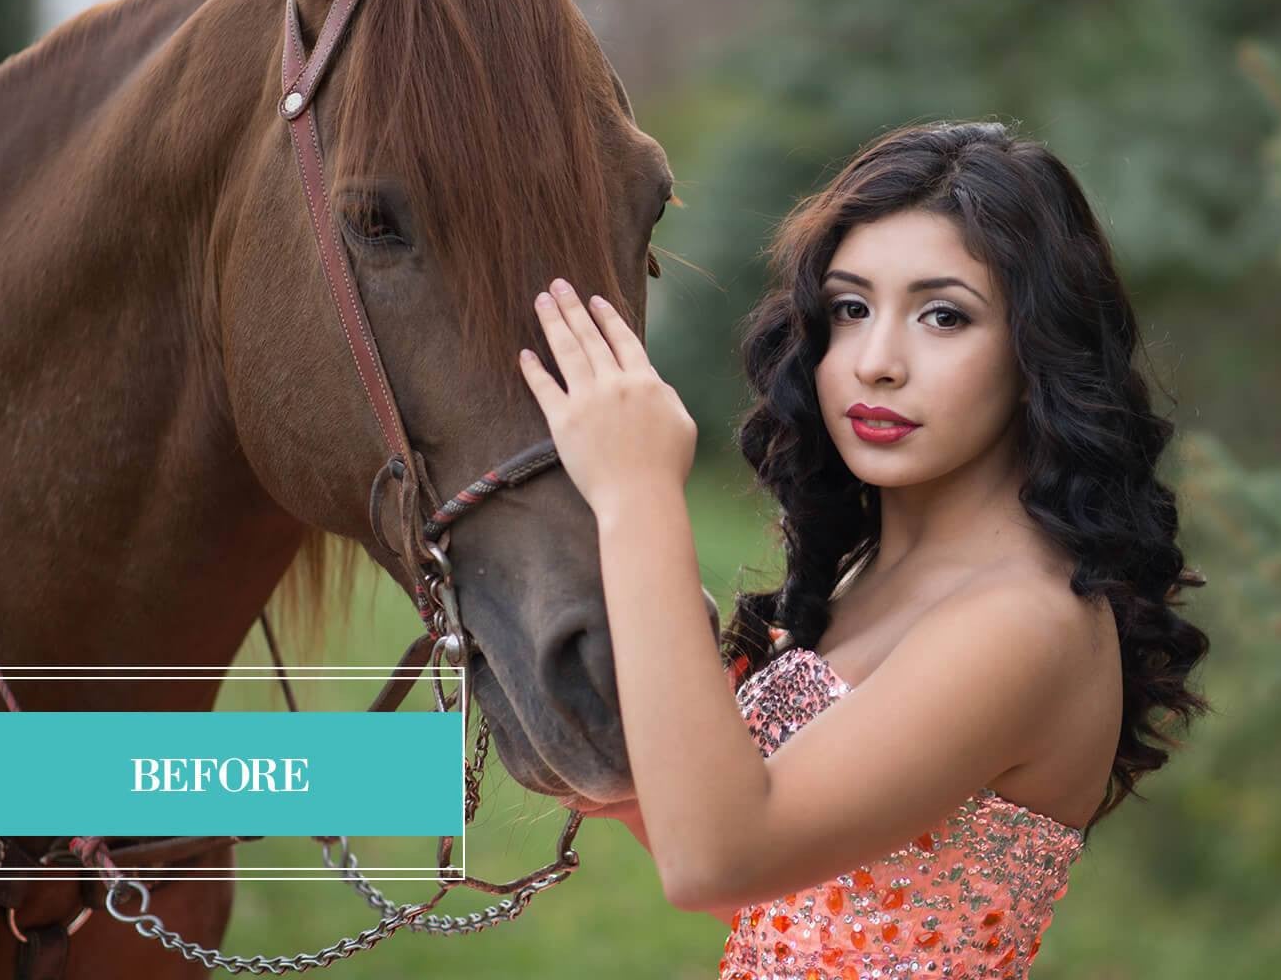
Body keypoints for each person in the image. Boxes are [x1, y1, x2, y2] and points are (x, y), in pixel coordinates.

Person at [516, 120, 1211, 976]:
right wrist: (628, 789)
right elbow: (810, 898)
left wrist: (638, 489)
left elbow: (717, 861)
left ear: (1039, 351)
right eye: (850, 308)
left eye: (944, 316)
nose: (876, 361)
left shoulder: (1025, 621)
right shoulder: (866, 573)